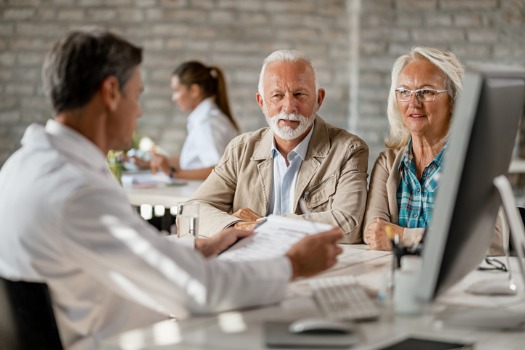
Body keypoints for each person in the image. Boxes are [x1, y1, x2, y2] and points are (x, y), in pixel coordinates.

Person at [0, 29, 344, 349]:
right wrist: (291, 265)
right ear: (110, 93)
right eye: (137, 95)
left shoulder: (21, 166)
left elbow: (129, 251)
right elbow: (200, 289)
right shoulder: (78, 191)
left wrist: (200, 247)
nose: (139, 111)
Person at [189, 49, 369, 243]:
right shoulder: (240, 150)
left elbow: (350, 225)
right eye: (277, 95)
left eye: (299, 94)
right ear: (261, 102)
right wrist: (236, 226)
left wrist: (266, 225)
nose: (289, 106)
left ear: (318, 99)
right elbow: (192, 211)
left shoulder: (349, 150)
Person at [363, 47, 503, 255]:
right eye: (404, 92)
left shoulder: (475, 163)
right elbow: (374, 233)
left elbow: (492, 242)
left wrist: (403, 236)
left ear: (455, 101)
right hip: (399, 278)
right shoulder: (388, 163)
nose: (413, 103)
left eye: (426, 92)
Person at [146, 61, 240, 180]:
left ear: (194, 90)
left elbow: (219, 170)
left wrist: (173, 172)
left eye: (176, 91)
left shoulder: (207, 123)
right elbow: (193, 161)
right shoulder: (204, 118)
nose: (173, 98)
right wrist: (151, 163)